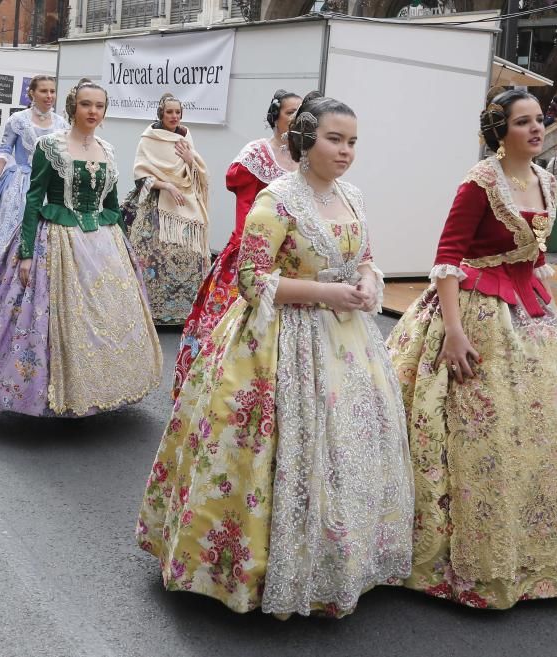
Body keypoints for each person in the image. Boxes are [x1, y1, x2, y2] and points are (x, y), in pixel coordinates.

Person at [137, 95, 412, 618]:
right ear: (306, 140)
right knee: (272, 453)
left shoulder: (351, 195)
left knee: (345, 448)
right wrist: (328, 294)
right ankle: (252, 566)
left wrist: (369, 282)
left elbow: (367, 257)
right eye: (335, 139)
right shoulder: (276, 200)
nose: (346, 151)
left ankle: (336, 560)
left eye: (353, 141)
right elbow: (250, 280)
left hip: (346, 343)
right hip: (280, 341)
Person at [386, 89, 557, 609]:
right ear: (500, 133)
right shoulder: (479, 183)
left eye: (539, 120)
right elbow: (448, 257)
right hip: (475, 312)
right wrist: (454, 332)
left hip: (530, 318)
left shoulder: (547, 181)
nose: (536, 129)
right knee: (482, 432)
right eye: (523, 122)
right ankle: (463, 557)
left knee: (540, 432)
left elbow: (535, 258)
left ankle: (533, 550)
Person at [0, 79, 162, 416]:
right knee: (46, 319)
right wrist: (25, 253)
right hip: (56, 240)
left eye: (99, 106)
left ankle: (103, 386)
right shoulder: (50, 146)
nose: (92, 111)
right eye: (86, 104)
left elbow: (110, 202)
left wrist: (124, 248)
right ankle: (47, 393)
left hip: (104, 244)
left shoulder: (108, 150)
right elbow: (34, 199)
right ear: (73, 107)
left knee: (109, 318)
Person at [172, 89, 301, 397]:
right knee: (227, 328)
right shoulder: (257, 154)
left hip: (294, 261)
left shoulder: (306, 158)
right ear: (275, 117)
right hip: (253, 253)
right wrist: (253, 252)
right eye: (290, 112)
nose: (295, 118)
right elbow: (246, 205)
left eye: (301, 112)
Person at [0, 74, 68, 303]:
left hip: (50, 188)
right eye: (44, 91)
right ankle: (5, 292)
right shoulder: (18, 120)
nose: (50, 96)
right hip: (20, 184)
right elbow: (3, 151)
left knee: (45, 239)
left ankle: (38, 292)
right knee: (11, 237)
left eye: (52, 91)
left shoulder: (61, 123)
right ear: (32, 93)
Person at [125, 93, 210, 326]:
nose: (174, 116)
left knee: (190, 254)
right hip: (157, 201)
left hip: (186, 201)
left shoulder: (185, 136)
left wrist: (190, 158)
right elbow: (141, 176)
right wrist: (167, 185)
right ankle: (154, 309)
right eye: (170, 112)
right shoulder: (148, 138)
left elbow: (199, 173)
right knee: (153, 255)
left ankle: (185, 311)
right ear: (161, 114)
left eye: (178, 112)